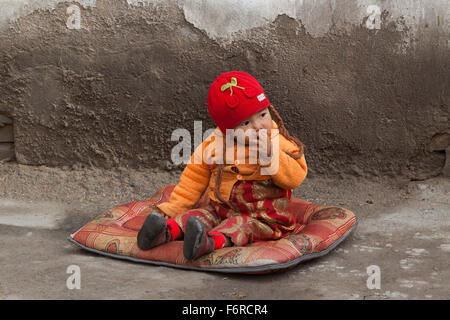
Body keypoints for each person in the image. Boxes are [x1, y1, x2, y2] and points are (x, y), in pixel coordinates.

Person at [137, 71, 307, 261]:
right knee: (198, 216)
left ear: (270, 110)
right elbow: (193, 179)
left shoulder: (277, 141)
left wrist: (271, 156)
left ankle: (208, 242)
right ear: (228, 130)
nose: (258, 126)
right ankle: (163, 232)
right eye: (245, 123)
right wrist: (175, 207)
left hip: (265, 220)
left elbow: (297, 177)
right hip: (221, 210)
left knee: (239, 225)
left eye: (262, 114)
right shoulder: (215, 144)